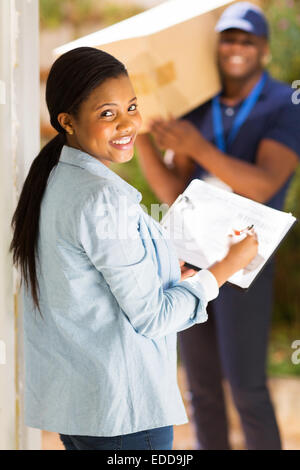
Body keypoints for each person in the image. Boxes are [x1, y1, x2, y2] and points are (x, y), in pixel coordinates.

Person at [9, 47, 258, 451]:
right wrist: (227, 266)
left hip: (83, 410)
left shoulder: (56, 182)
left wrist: (163, 273)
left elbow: (85, 286)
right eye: (107, 113)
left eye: (132, 107)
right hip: (126, 414)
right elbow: (154, 317)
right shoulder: (101, 198)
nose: (128, 124)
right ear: (67, 121)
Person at [135, 2, 300, 450]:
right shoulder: (196, 104)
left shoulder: (284, 103)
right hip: (193, 260)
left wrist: (198, 146)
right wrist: (144, 135)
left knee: (246, 386)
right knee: (200, 389)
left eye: (247, 39)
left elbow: (265, 184)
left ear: (263, 49)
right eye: (228, 37)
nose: (236, 47)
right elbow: (174, 192)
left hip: (246, 260)